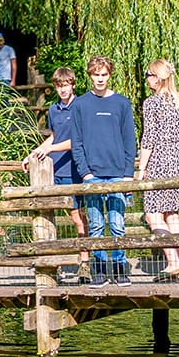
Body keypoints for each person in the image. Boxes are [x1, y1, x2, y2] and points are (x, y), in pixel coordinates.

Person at [70, 56, 137, 286]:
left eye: (104, 74)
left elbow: (129, 139)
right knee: (96, 224)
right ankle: (99, 268)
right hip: (92, 174)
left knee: (117, 224)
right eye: (96, 74)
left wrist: (128, 172)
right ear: (90, 75)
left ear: (110, 75)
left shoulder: (121, 103)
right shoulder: (80, 104)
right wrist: (85, 172)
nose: (100, 79)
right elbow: (76, 142)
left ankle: (120, 268)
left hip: (118, 172)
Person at [25, 67, 87, 283]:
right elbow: (53, 137)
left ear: (73, 85)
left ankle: (84, 263)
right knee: (47, 217)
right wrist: (34, 153)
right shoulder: (53, 109)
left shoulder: (81, 106)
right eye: (59, 86)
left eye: (66, 85)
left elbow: (78, 141)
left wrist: (51, 149)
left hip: (74, 169)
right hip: (55, 169)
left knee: (77, 217)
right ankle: (51, 263)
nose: (63, 89)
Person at [135, 58, 179, 280]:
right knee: (172, 214)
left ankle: (173, 262)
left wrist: (141, 169)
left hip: (158, 161)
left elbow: (148, 138)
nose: (147, 79)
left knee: (153, 214)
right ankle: (177, 259)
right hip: (178, 162)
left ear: (158, 78)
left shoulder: (151, 103)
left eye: (149, 75)